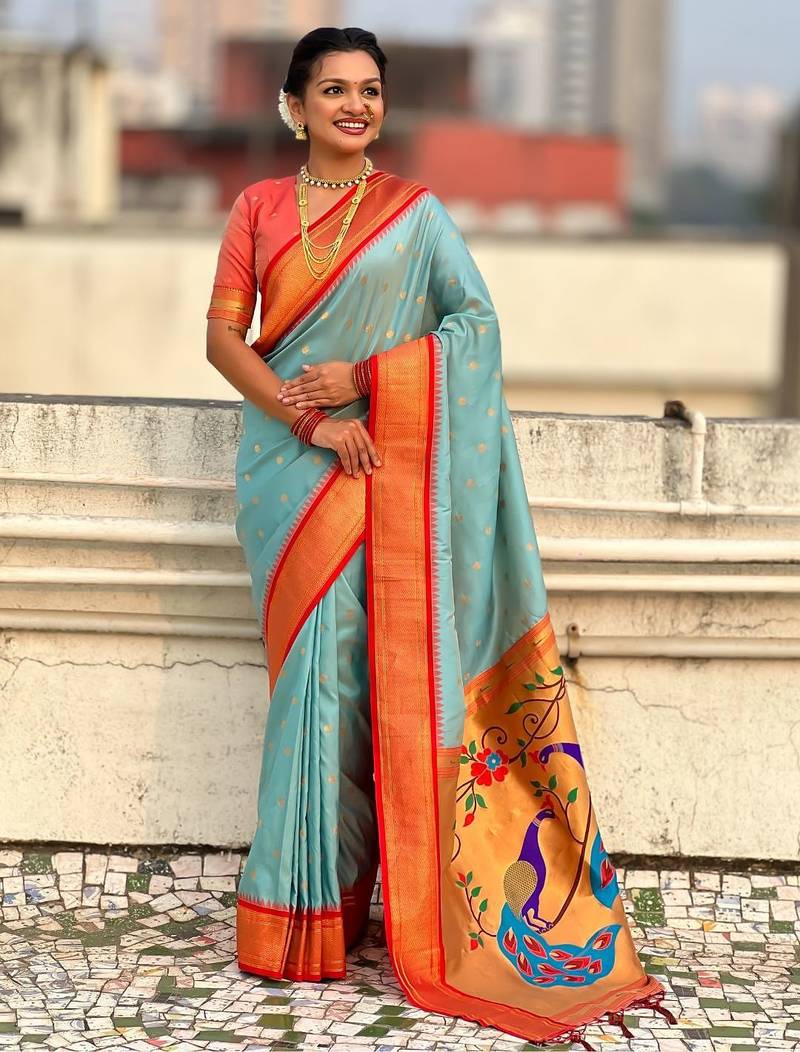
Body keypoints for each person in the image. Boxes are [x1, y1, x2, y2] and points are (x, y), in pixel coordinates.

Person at [204, 26, 678, 1050]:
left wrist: (368, 379)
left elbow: (476, 331)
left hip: (377, 471)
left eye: (369, 90)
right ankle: (295, 912)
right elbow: (221, 341)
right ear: (294, 104)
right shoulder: (256, 208)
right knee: (308, 685)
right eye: (334, 89)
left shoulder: (415, 217)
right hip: (287, 472)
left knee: (350, 682)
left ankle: (355, 905)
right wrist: (312, 421)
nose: (354, 106)